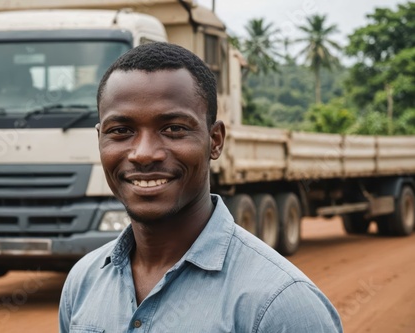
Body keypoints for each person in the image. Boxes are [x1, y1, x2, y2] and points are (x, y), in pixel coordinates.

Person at [59, 42, 343, 333]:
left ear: (215, 140)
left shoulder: (281, 305)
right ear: (99, 139)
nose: (143, 153)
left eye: (174, 129)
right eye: (121, 131)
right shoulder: (82, 283)